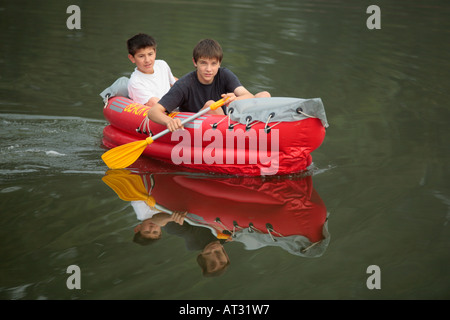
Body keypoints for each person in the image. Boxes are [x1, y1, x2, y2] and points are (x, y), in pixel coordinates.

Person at [147, 38, 271, 132]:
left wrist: (235, 99)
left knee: (264, 95)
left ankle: (259, 131)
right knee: (212, 105)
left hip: (224, 120)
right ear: (194, 62)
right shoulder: (184, 84)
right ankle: (238, 136)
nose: (209, 69)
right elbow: (153, 112)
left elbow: (247, 95)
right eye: (203, 63)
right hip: (200, 126)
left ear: (219, 63)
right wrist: (170, 121)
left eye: (213, 63)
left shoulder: (224, 74)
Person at [127, 33, 178, 107]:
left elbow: (174, 82)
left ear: (155, 52)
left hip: (172, 105)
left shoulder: (162, 64)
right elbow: (154, 103)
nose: (147, 60)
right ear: (132, 58)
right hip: (159, 111)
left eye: (150, 54)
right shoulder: (135, 82)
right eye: (141, 56)